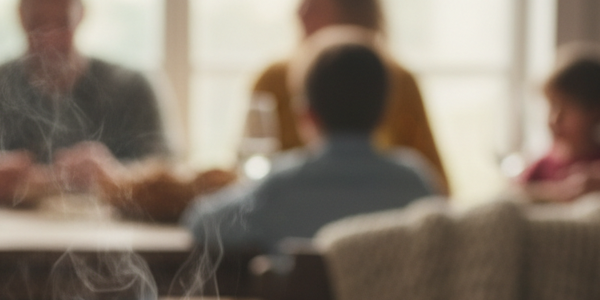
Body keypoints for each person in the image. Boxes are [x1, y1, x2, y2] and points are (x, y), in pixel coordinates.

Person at [182, 42, 437, 256]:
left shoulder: (282, 186)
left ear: (307, 115)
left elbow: (201, 223)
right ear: (385, 114)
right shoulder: (416, 183)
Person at [0, 0, 170, 207]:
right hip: (2, 243)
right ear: (20, 17)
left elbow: (169, 171)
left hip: (107, 243)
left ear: (81, 15)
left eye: (62, 23)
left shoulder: (131, 87)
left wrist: (116, 177)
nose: (51, 38)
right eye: (38, 24)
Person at [249, 0, 449, 193]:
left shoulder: (398, 81)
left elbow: (437, 190)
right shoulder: (272, 81)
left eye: (314, 4)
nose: (299, 13)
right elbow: (247, 172)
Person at [519, 48, 600, 203]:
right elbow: (516, 196)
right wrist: (556, 192)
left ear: (596, 111)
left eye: (566, 107)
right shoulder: (541, 165)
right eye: (552, 106)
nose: (555, 118)